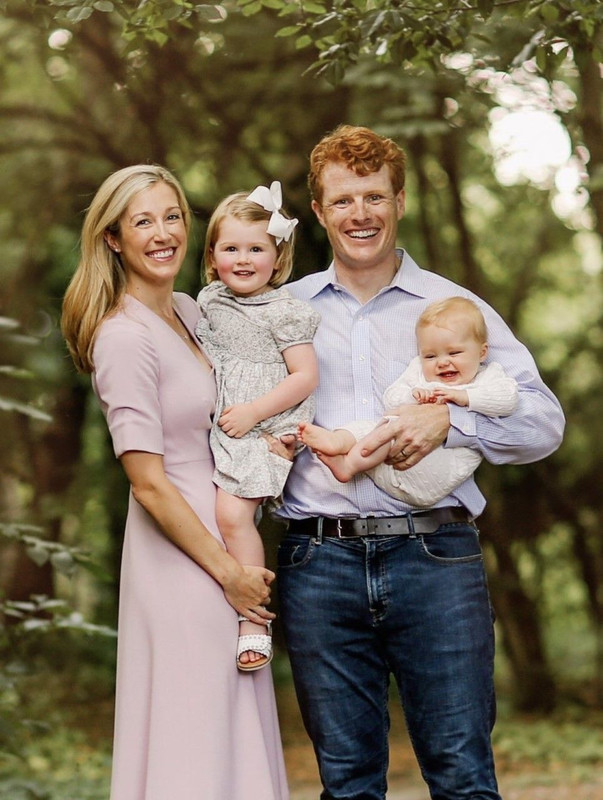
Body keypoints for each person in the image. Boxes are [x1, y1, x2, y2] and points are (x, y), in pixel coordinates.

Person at [275, 125, 565, 800]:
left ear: (399, 201)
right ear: (318, 212)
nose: (360, 214)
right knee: (346, 786)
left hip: (436, 558)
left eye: (373, 196)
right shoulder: (282, 313)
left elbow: (544, 423)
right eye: (343, 200)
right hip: (317, 565)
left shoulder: (452, 310)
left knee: (462, 776)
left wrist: (452, 420)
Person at [61, 165, 289, 800]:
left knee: (231, 720)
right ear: (113, 239)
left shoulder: (190, 311)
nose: (162, 234)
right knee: (195, 728)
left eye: (171, 217)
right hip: (184, 556)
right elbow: (147, 482)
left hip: (223, 538)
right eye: (142, 221)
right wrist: (227, 571)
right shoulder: (123, 336)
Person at [195, 182, 320, 671]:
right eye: (231, 248)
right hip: (221, 428)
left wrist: (254, 414)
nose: (243, 259)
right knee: (210, 518)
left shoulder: (286, 311)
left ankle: (255, 619)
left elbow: (306, 377)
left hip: (265, 425)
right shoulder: (210, 301)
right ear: (212, 256)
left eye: (255, 248)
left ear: (277, 256)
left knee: (232, 517)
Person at [298, 296, 519, 507]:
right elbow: (392, 398)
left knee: (388, 431)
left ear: (482, 353)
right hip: (394, 467)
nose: (442, 362)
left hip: (438, 472)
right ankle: (342, 450)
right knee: (376, 428)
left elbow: (508, 400)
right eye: (430, 356)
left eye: (454, 352)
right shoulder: (419, 373)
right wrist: (414, 395)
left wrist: (465, 398)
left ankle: (349, 460)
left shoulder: (488, 376)